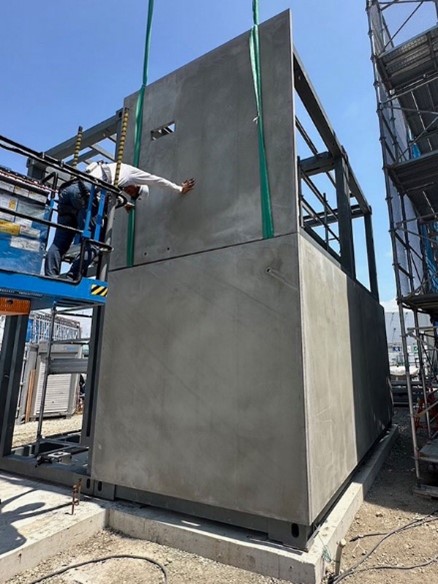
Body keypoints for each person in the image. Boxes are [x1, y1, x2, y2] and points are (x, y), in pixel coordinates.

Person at [44, 163, 195, 280]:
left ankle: (51, 277)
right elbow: (157, 180)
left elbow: (106, 194)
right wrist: (178, 189)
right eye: (134, 192)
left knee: (60, 243)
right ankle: (72, 277)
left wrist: (124, 204)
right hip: (83, 194)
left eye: (132, 195)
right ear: (138, 185)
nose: (129, 192)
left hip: (68, 191)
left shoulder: (113, 174)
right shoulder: (132, 173)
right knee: (95, 243)